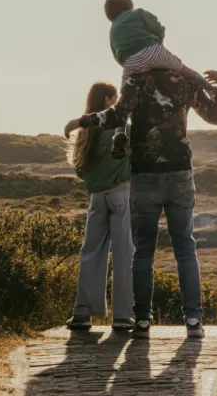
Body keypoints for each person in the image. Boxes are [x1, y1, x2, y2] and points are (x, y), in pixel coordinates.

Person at [64, 68, 217, 340]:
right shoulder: (186, 81)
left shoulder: (136, 82)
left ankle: (137, 319)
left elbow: (117, 116)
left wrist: (81, 121)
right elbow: (216, 115)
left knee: (138, 252)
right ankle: (189, 320)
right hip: (176, 173)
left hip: (136, 180)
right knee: (183, 249)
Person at [103, 0, 215, 159]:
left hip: (131, 62)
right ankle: (212, 90)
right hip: (154, 51)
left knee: (123, 100)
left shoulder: (112, 30)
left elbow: (117, 54)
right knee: (187, 71)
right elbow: (156, 26)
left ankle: (119, 132)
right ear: (129, 5)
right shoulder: (138, 13)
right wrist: (159, 40)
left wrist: (133, 67)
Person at [65, 82, 135, 332]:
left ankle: (83, 313)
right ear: (107, 101)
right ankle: (123, 315)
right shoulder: (121, 128)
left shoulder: (84, 133)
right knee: (124, 253)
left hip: (97, 197)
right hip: (121, 194)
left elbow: (79, 169)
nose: (116, 104)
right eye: (114, 100)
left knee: (91, 252)